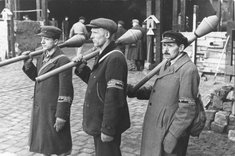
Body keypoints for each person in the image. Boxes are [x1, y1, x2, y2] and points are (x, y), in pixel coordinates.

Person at [127, 30, 200, 156]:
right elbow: (160, 89)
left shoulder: (188, 70)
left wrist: (173, 136)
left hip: (167, 129)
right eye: (164, 45)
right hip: (155, 126)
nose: (165, 49)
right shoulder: (167, 63)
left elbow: (187, 109)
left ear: (181, 47)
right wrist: (138, 92)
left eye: (170, 46)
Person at [73, 18, 130, 156]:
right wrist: (81, 67)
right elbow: (98, 83)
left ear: (107, 35)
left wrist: (107, 129)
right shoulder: (103, 54)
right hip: (99, 119)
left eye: (95, 32)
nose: (91, 36)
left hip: (106, 122)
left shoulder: (114, 57)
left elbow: (113, 97)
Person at [22, 26, 74, 156]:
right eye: (42, 39)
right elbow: (37, 77)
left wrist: (61, 115)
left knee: (59, 146)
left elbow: (66, 91)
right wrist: (28, 64)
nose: (42, 42)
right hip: (42, 108)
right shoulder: (43, 56)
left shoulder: (63, 61)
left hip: (54, 110)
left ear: (56, 42)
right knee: (46, 145)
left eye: (46, 39)